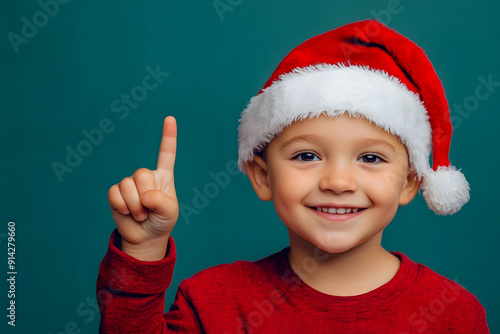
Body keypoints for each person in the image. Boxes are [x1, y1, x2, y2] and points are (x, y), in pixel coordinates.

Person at [96, 19, 490, 333]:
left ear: (410, 182)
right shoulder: (213, 302)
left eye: (370, 157)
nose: (338, 182)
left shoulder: (453, 314)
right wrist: (144, 251)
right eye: (307, 155)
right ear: (262, 176)